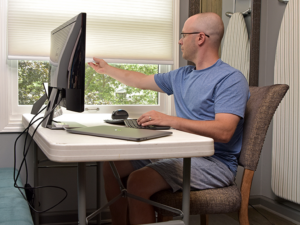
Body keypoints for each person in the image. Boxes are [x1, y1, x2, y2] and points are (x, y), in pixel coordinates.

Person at [88, 12, 249, 225]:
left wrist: (170, 120)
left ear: (200, 38)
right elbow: (141, 80)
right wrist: (106, 69)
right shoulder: (182, 75)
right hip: (184, 154)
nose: (180, 41)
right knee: (113, 166)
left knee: (138, 180)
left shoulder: (230, 79)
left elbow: (224, 131)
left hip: (215, 163)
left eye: (184, 35)